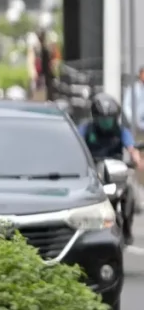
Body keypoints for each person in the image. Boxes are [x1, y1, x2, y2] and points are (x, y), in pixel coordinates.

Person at [79, 93, 141, 244]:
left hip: (115, 173)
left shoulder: (121, 131)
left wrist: (136, 159)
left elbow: (132, 148)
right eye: (103, 119)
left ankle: (127, 228)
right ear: (95, 117)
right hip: (93, 172)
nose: (106, 123)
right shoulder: (86, 130)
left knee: (130, 192)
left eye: (109, 119)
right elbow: (76, 144)